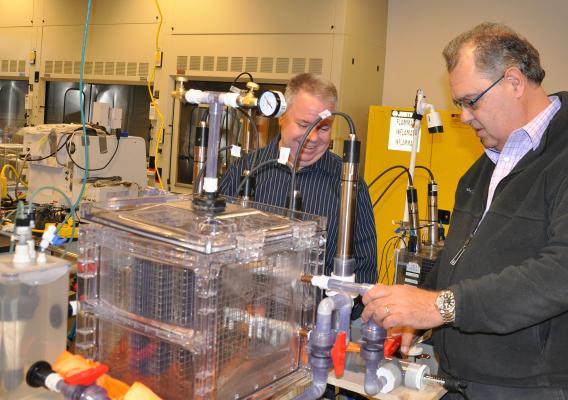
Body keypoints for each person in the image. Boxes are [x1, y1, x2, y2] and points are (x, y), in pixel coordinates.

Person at [362, 22, 568, 399]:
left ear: (515, 82)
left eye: (471, 101)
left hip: (529, 387)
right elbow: (459, 258)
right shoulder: (482, 169)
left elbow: (561, 271)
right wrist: (416, 308)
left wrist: (439, 306)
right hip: (458, 379)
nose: (466, 117)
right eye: (459, 105)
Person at [219, 72, 377, 285]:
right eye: (303, 125)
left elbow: (365, 272)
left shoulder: (348, 184)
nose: (312, 138)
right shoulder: (245, 170)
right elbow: (216, 250)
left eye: (323, 127)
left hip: (320, 314)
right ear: (281, 117)